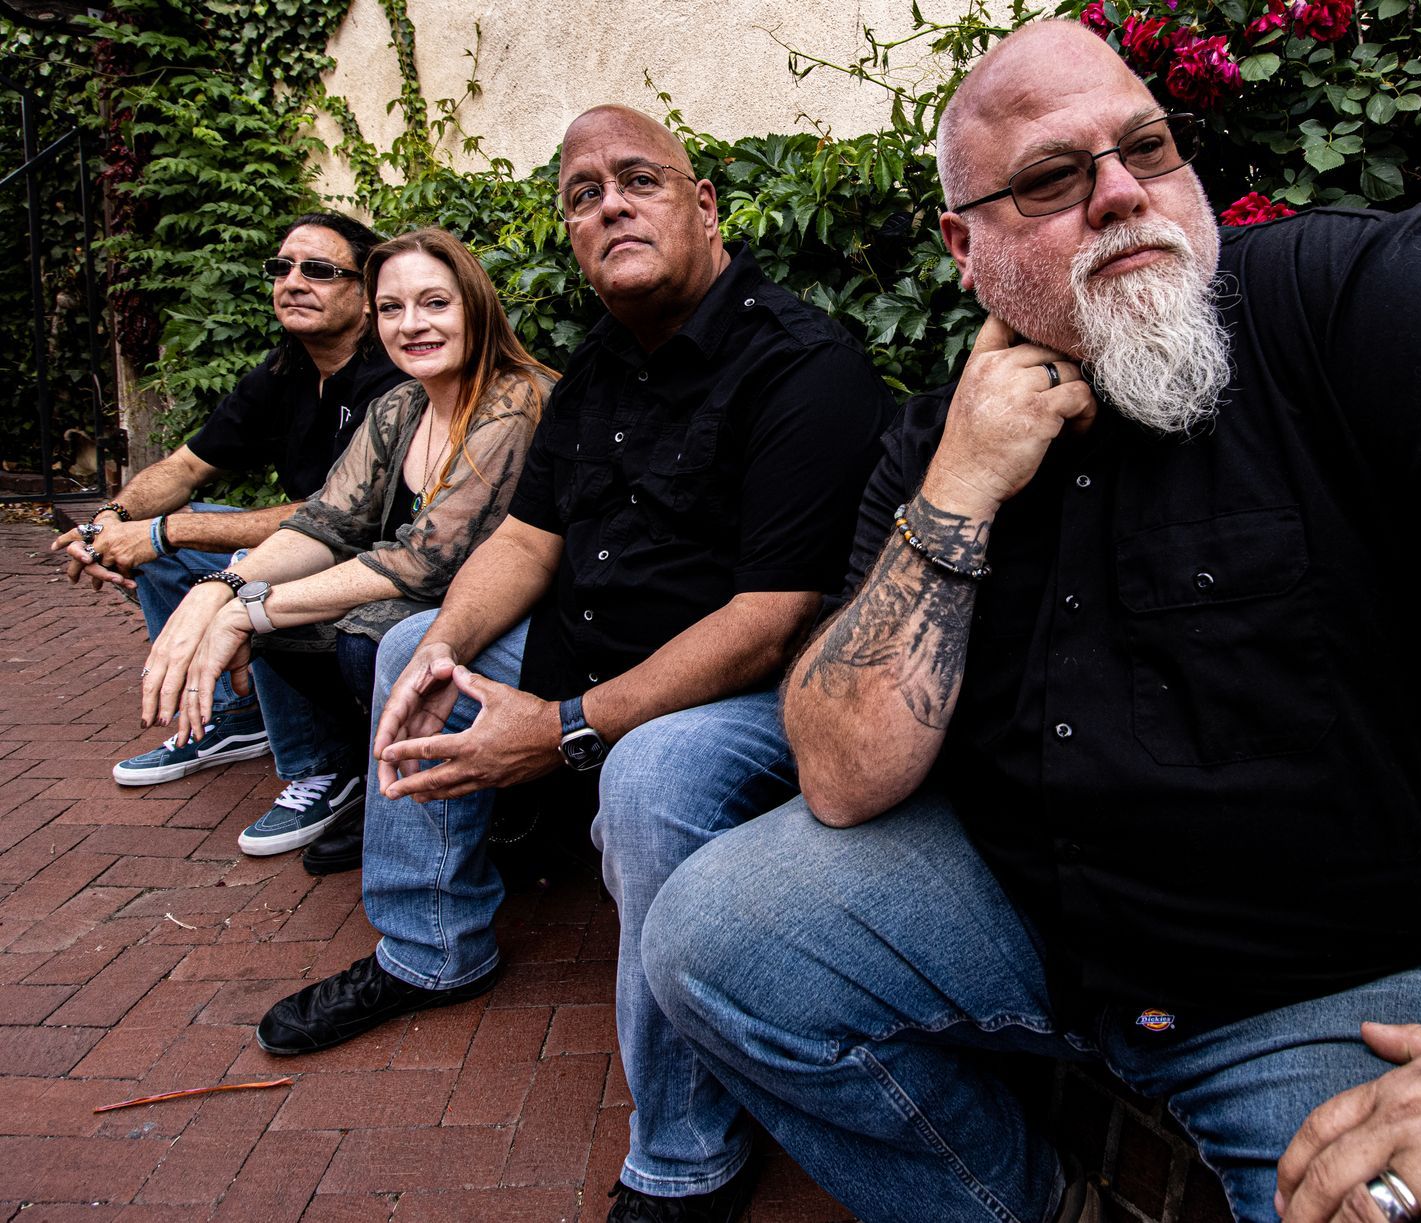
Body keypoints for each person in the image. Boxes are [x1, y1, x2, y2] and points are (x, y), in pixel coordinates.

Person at [636, 20, 1421, 1223]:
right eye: (1048, 179)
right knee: (715, 933)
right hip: (1040, 922)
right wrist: (962, 488)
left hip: (1353, 989)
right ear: (963, 251)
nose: (1123, 191)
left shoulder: (1352, 298)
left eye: (1146, 148)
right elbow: (848, 773)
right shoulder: (931, 440)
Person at [251, 106, 893, 1223]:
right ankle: (431, 947)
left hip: (753, 690)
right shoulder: (600, 364)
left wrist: (562, 728)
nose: (609, 204)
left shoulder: (804, 367)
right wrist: (446, 643)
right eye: (583, 193)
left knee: (652, 778)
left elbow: (770, 618)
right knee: (412, 644)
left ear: (702, 206)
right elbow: (525, 539)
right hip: (600, 644)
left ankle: (688, 1151)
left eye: (638, 179)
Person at [138, 227, 554, 869]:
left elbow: (426, 560)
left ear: (476, 305)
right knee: (289, 626)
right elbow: (323, 523)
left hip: (525, 617)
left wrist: (247, 607)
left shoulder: (514, 401)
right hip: (428, 601)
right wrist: (220, 590)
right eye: (392, 308)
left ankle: (503, 800)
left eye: (435, 304)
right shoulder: (401, 406)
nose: (411, 325)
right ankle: (366, 771)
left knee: (367, 636)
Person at [52, 213, 408, 811]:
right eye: (283, 267)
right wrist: (110, 519)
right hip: (312, 538)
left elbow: (334, 516)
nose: (294, 282)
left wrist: (166, 531)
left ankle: (325, 767)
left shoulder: (390, 379)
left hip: (371, 553)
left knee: (229, 555)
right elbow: (187, 467)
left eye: (319, 270)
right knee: (172, 539)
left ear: (368, 297)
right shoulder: (286, 371)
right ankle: (236, 712)